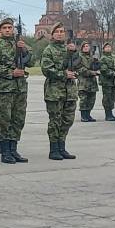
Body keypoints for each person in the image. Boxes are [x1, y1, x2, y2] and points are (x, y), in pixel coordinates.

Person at [0, 18, 34, 164]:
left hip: (20, 89)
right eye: (5, 27)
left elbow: (31, 62)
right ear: (0, 30)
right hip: (5, 89)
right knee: (4, 120)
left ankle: (14, 149)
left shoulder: (20, 45)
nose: (8, 30)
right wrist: (10, 73)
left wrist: (24, 49)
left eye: (10, 27)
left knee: (18, 119)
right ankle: (5, 151)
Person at [40, 22, 78, 160]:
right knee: (55, 121)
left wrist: (73, 52)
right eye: (57, 31)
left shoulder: (69, 49)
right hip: (55, 91)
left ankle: (62, 147)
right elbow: (46, 69)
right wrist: (63, 74)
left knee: (67, 120)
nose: (60, 33)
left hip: (70, 91)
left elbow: (79, 65)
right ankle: (54, 149)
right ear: (52, 34)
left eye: (62, 31)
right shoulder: (49, 50)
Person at [99, 42, 115, 121]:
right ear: (103, 49)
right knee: (107, 97)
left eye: (109, 47)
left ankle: (111, 113)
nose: (108, 48)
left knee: (113, 97)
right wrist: (114, 73)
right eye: (106, 47)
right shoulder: (103, 58)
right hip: (106, 81)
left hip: (114, 81)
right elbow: (104, 69)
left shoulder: (114, 57)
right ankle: (108, 114)